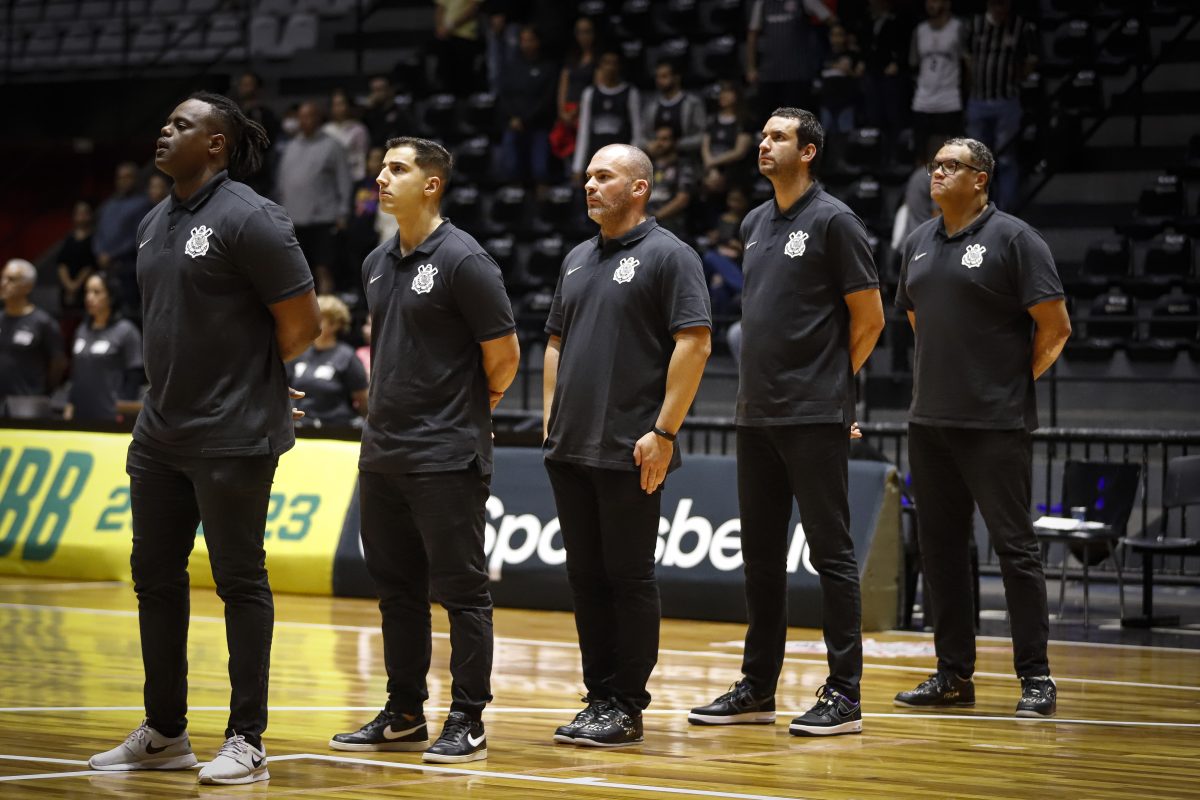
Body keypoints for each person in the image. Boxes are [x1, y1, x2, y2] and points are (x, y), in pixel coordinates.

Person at [87, 92, 321, 784]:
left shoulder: (251, 217)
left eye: (182, 125)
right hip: (160, 432)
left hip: (233, 432)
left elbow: (302, 324)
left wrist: (257, 378)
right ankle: (165, 732)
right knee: (154, 579)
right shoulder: (152, 221)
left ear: (216, 144)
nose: (165, 131)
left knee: (239, 580)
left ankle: (247, 739)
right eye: (166, 122)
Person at [689, 108, 884, 737]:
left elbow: (870, 319)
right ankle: (758, 687)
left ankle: (845, 694)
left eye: (778, 137)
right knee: (762, 559)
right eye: (763, 135)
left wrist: (832, 386)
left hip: (814, 413)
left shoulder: (834, 220)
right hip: (756, 414)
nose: (764, 144)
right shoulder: (753, 222)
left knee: (831, 555)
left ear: (809, 152)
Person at [330, 137, 519, 764]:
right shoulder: (376, 261)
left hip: (446, 452)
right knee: (397, 591)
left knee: (462, 592)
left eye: (397, 169)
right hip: (382, 451)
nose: (381, 178)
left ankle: (467, 718)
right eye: (382, 168)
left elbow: (505, 356)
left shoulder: (465, 259)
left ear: (431, 184)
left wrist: (465, 408)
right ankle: (405, 712)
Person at [892, 137, 1070, 718]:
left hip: (995, 422)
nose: (938, 173)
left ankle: (1036, 677)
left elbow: (1056, 327)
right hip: (929, 421)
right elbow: (916, 318)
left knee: (1015, 549)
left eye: (952, 166)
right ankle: (953, 675)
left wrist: (1008, 383)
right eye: (935, 165)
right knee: (940, 550)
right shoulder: (918, 242)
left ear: (981, 179)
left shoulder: (1016, 239)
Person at [544, 143, 712, 747]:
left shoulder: (671, 256)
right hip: (570, 447)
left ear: (639, 188)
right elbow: (555, 342)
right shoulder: (576, 258)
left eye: (604, 176)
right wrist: (551, 419)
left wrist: (664, 432)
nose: (590, 185)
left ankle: (626, 705)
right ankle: (598, 698)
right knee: (586, 579)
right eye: (588, 176)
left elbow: (695, 343)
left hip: (631, 448)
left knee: (628, 577)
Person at [964, 0, 1038, 211]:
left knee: (1006, 158)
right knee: (977, 160)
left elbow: (1032, 58)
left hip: (1007, 102)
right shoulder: (974, 25)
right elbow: (966, 58)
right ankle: (978, 209)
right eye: (997, 4)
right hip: (978, 100)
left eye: (1004, 4)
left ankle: (1006, 212)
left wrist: (1017, 77)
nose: (1000, 9)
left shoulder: (1020, 27)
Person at [276, 101, 352, 294]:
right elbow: (282, 183)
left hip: (323, 218)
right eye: (301, 117)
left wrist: (343, 212)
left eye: (310, 116)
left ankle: (326, 309)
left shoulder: (333, 146)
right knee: (297, 272)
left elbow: (344, 181)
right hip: (293, 219)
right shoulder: (290, 146)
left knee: (323, 269)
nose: (305, 121)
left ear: (319, 118)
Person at [65, 272, 144, 422]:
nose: (89, 297)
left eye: (96, 292)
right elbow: (76, 372)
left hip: (110, 414)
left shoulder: (126, 331)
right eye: (87, 291)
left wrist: (124, 409)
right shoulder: (81, 329)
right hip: (80, 412)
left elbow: (134, 375)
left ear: (111, 296)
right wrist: (70, 403)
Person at [287, 294, 368, 427]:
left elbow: (362, 399)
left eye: (318, 318)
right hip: (301, 427)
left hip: (336, 429)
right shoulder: (299, 352)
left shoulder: (347, 356)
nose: (311, 322)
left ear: (334, 324)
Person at [746, 0, 834, 122]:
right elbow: (752, 34)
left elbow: (830, 19)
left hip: (798, 72)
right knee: (771, 120)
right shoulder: (762, 3)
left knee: (797, 120)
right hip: (769, 73)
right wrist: (751, 67)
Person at [0, 258, 66, 417]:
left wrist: (43, 391)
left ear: (28, 286)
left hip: (27, 404)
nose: (3, 283)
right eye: (2, 277)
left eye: (11, 279)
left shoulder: (43, 322)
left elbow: (58, 363)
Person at [496, 25, 557, 188]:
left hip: (539, 125)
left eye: (530, 40)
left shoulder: (548, 67)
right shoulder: (511, 66)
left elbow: (547, 99)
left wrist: (525, 119)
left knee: (540, 171)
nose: (526, 44)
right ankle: (514, 199)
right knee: (511, 169)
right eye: (523, 40)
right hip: (513, 124)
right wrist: (513, 117)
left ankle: (543, 201)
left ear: (538, 42)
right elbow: (504, 95)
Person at [571, 50, 641, 185]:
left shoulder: (631, 93)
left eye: (614, 63)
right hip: (596, 160)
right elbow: (583, 132)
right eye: (607, 63)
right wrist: (578, 167)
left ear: (620, 67)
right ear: (600, 66)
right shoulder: (590, 94)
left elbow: (637, 131)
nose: (610, 67)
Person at [93, 162, 153, 315]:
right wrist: (99, 252)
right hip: (106, 269)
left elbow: (138, 236)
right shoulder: (108, 205)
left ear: (136, 179)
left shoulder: (144, 204)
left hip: (128, 269)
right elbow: (98, 233)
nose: (123, 181)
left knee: (129, 313)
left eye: (128, 177)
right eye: (120, 177)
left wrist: (112, 255)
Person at [910, 0, 965, 160]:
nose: (930, 5)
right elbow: (913, 63)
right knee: (921, 154)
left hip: (949, 100)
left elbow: (967, 62)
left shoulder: (957, 28)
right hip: (922, 101)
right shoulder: (920, 30)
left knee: (950, 156)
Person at [638, 60, 706, 157]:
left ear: (676, 78)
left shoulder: (692, 103)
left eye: (664, 76)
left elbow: (702, 136)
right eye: (657, 77)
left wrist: (675, 145)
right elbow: (641, 135)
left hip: (686, 158)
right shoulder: (651, 105)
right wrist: (649, 145)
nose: (659, 81)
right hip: (657, 158)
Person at [645, 125, 697, 239]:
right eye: (657, 139)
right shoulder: (648, 166)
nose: (659, 143)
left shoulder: (684, 166)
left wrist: (654, 217)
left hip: (670, 225)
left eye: (665, 139)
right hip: (646, 222)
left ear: (675, 142)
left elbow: (682, 199)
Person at [55, 200, 97, 337]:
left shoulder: (94, 238)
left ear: (91, 215)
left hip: (85, 287)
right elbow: (61, 263)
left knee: (85, 324)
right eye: (78, 213)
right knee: (67, 326)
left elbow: (90, 265)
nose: (81, 217)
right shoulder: (69, 238)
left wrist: (75, 286)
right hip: (67, 289)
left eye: (85, 213)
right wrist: (69, 285)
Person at [323, 88, 371, 181]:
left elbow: (361, 157)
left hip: (352, 176)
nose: (339, 108)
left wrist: (359, 178)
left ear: (349, 106)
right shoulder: (326, 130)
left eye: (341, 104)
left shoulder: (359, 129)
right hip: (330, 178)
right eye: (335, 105)